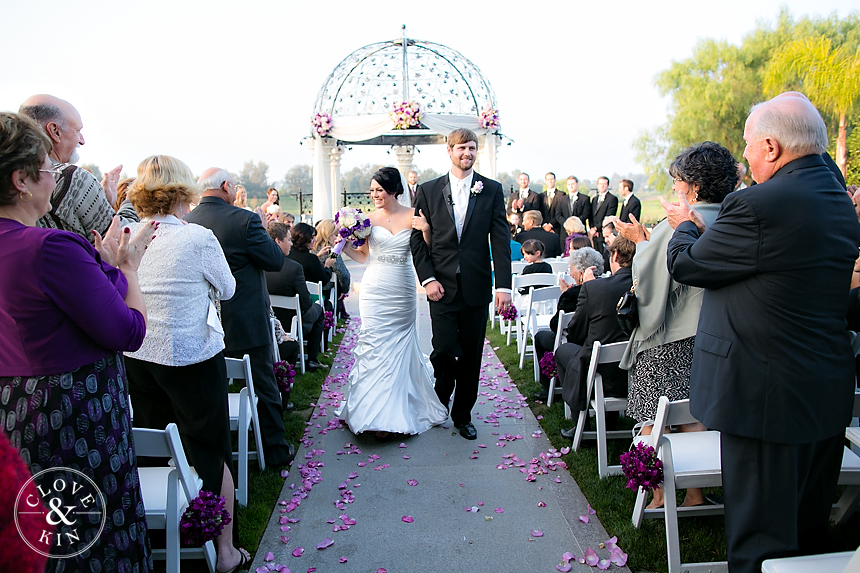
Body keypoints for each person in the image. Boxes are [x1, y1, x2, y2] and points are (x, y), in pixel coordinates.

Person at [665, 94, 859, 573]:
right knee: (806, 531)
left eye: (750, 146)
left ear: (771, 147)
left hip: (764, 398)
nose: (745, 158)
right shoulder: (837, 196)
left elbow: (688, 265)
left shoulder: (757, 205)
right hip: (823, 389)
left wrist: (686, 228)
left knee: (759, 540)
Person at [0, 111, 155, 571]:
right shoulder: (50, 247)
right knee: (90, 533)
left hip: (13, 406)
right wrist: (126, 267)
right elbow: (129, 330)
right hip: (72, 410)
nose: (56, 177)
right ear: (22, 180)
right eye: (49, 168)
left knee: (39, 529)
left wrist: (100, 265)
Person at [122, 155, 248, 573]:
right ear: (183, 190)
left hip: (139, 354)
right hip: (191, 356)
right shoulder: (197, 238)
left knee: (154, 445)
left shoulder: (128, 235)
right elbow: (228, 289)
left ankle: (160, 537)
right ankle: (225, 551)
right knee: (209, 448)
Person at [614, 141, 738, 509]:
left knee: (657, 418)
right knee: (692, 416)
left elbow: (652, 277)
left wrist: (641, 245)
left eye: (677, 182)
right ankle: (696, 494)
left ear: (694, 186)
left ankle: (657, 496)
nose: (674, 189)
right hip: (713, 333)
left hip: (671, 337)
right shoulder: (734, 216)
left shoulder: (681, 220)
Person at [185, 168, 297, 468]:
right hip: (245, 317)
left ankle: (224, 450)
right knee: (262, 383)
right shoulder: (244, 220)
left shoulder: (189, 221)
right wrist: (260, 226)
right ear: (225, 186)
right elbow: (275, 261)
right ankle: (273, 449)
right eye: (234, 186)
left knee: (214, 386)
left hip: (204, 319)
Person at [411, 128, 512, 440]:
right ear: (449, 150)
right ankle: (439, 402)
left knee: (470, 355)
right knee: (442, 351)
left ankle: (463, 415)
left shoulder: (491, 190)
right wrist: (427, 279)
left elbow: (500, 240)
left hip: (477, 286)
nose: (467, 153)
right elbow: (417, 239)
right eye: (461, 148)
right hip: (440, 285)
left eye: (471, 148)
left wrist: (503, 286)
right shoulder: (427, 190)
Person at [335, 167, 448, 437]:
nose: (374, 195)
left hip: (403, 287)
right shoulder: (367, 220)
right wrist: (343, 243)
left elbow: (429, 250)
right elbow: (363, 257)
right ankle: (370, 410)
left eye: (380, 190)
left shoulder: (414, 216)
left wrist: (427, 229)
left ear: (394, 190)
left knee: (398, 345)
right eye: (372, 190)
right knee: (373, 344)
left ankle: (395, 409)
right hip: (374, 289)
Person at [557, 237, 634, 439]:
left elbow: (575, 333)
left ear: (615, 255)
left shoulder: (594, 288)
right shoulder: (648, 284)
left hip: (601, 372)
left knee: (563, 351)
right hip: (637, 368)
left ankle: (578, 420)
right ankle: (609, 420)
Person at [19, 94, 123, 242]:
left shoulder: (11, 177)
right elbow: (118, 242)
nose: (82, 140)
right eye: (77, 131)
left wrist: (100, 199)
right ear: (55, 131)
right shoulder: (74, 177)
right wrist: (130, 203)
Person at [532, 247, 604, 401]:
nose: (570, 274)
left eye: (571, 269)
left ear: (582, 271)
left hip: (574, 342)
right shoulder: (607, 287)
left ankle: (548, 387)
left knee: (540, 337)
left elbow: (555, 325)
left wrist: (565, 295)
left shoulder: (572, 294)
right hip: (602, 341)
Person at [266, 222, 326, 372]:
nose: (291, 244)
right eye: (288, 240)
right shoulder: (293, 268)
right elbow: (305, 304)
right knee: (318, 310)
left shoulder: (260, 266)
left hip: (268, 320)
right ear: (278, 242)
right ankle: (312, 359)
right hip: (292, 320)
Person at [288, 222, 335, 318]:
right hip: (307, 301)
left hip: (289, 299)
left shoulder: (288, 254)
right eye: (312, 237)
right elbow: (324, 280)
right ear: (304, 238)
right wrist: (327, 266)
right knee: (329, 306)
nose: (315, 240)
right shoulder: (310, 259)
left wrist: (317, 257)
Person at [315, 218, 351, 319]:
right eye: (335, 235)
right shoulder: (331, 251)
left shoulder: (311, 247)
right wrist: (344, 290)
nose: (338, 238)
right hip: (326, 289)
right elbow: (343, 273)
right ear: (328, 234)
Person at [542, 171, 570, 252]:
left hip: (557, 227)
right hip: (544, 228)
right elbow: (540, 212)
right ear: (545, 181)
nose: (550, 181)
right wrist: (545, 225)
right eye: (548, 179)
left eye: (552, 179)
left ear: (555, 180)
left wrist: (551, 225)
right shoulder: (541, 196)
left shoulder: (562, 195)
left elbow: (560, 212)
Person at [589, 176, 617, 252]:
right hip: (594, 234)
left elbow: (609, 216)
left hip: (604, 233)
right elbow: (591, 215)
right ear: (597, 185)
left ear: (608, 185)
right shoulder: (594, 199)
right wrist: (592, 228)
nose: (602, 186)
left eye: (604, 184)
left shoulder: (612, 199)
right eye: (600, 184)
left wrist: (596, 228)